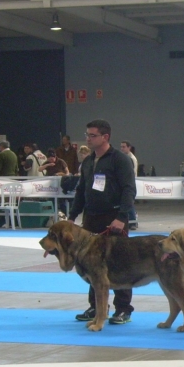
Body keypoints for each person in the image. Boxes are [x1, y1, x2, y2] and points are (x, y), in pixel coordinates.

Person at [68, 119, 137, 325]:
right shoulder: (88, 161)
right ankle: (97, 306)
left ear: (105, 137)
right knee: (91, 265)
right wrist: (72, 217)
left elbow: (129, 190)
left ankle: (123, 308)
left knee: (121, 264)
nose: (88, 139)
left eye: (92, 135)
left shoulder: (120, 160)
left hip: (114, 218)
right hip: (91, 218)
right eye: (87, 135)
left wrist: (122, 217)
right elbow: (81, 191)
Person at [120, 140, 139, 230]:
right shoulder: (125, 157)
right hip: (126, 183)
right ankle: (132, 222)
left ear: (129, 148)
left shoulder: (131, 158)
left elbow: (131, 173)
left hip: (129, 183)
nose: (122, 148)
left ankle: (133, 222)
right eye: (121, 147)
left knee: (129, 203)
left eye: (124, 147)